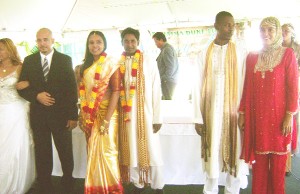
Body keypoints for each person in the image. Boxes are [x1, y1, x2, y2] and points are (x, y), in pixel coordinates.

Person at [238, 17, 299, 194]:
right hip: (259, 120)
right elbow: (247, 88)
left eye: (270, 29)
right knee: (259, 169)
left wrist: (289, 115)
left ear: (278, 31)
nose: (266, 33)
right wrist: (242, 113)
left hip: (281, 120)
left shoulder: (287, 55)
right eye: (262, 30)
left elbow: (293, 88)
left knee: (278, 170)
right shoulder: (252, 57)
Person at [193, 11, 248, 194]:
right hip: (211, 113)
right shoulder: (204, 53)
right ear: (216, 26)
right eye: (226, 24)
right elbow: (196, 85)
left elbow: (246, 83)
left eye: (233, 25)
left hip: (234, 112)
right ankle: (210, 190)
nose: (231, 28)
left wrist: (244, 112)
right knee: (212, 152)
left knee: (235, 151)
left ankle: (232, 190)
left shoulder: (240, 51)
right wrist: (197, 118)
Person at [18, 28, 78, 193]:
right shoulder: (29, 61)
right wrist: (36, 95)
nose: (42, 43)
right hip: (38, 116)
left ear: (52, 40)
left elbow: (72, 89)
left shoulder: (65, 60)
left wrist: (73, 116)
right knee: (42, 151)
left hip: (61, 115)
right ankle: (44, 182)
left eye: (45, 39)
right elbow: (21, 88)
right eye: (39, 40)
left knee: (65, 150)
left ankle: (68, 179)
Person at [118, 27, 164, 194]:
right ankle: (138, 183)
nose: (129, 44)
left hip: (146, 114)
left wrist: (157, 117)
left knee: (153, 151)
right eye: (126, 41)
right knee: (131, 149)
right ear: (122, 43)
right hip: (127, 115)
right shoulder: (118, 63)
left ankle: (158, 185)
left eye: (133, 41)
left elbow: (156, 89)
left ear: (138, 42)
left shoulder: (149, 60)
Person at [79, 31, 123, 193]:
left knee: (107, 153)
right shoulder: (85, 66)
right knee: (93, 153)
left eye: (98, 42)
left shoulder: (111, 64)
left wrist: (106, 119)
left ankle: (112, 190)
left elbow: (116, 92)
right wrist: (81, 114)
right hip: (90, 114)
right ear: (87, 45)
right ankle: (97, 189)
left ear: (104, 44)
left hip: (108, 114)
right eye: (91, 42)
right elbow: (84, 93)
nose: (95, 45)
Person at [0, 38, 36, 193]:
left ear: (9, 50)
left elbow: (34, 82)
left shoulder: (20, 67)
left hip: (15, 111)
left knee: (13, 147)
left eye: (1, 49)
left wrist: (28, 84)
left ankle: (13, 182)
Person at [282, 23, 300, 176]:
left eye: (287, 31)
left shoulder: (298, 48)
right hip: (279, 90)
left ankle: (289, 158)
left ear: (293, 33)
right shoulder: (277, 47)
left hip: (295, 88)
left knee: (292, 123)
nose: (284, 33)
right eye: (282, 30)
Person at [152, 32, 179, 100]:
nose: (155, 44)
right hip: (167, 80)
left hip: (167, 81)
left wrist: (164, 78)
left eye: (156, 42)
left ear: (161, 40)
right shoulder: (165, 49)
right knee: (166, 100)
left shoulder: (167, 49)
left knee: (167, 103)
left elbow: (170, 67)